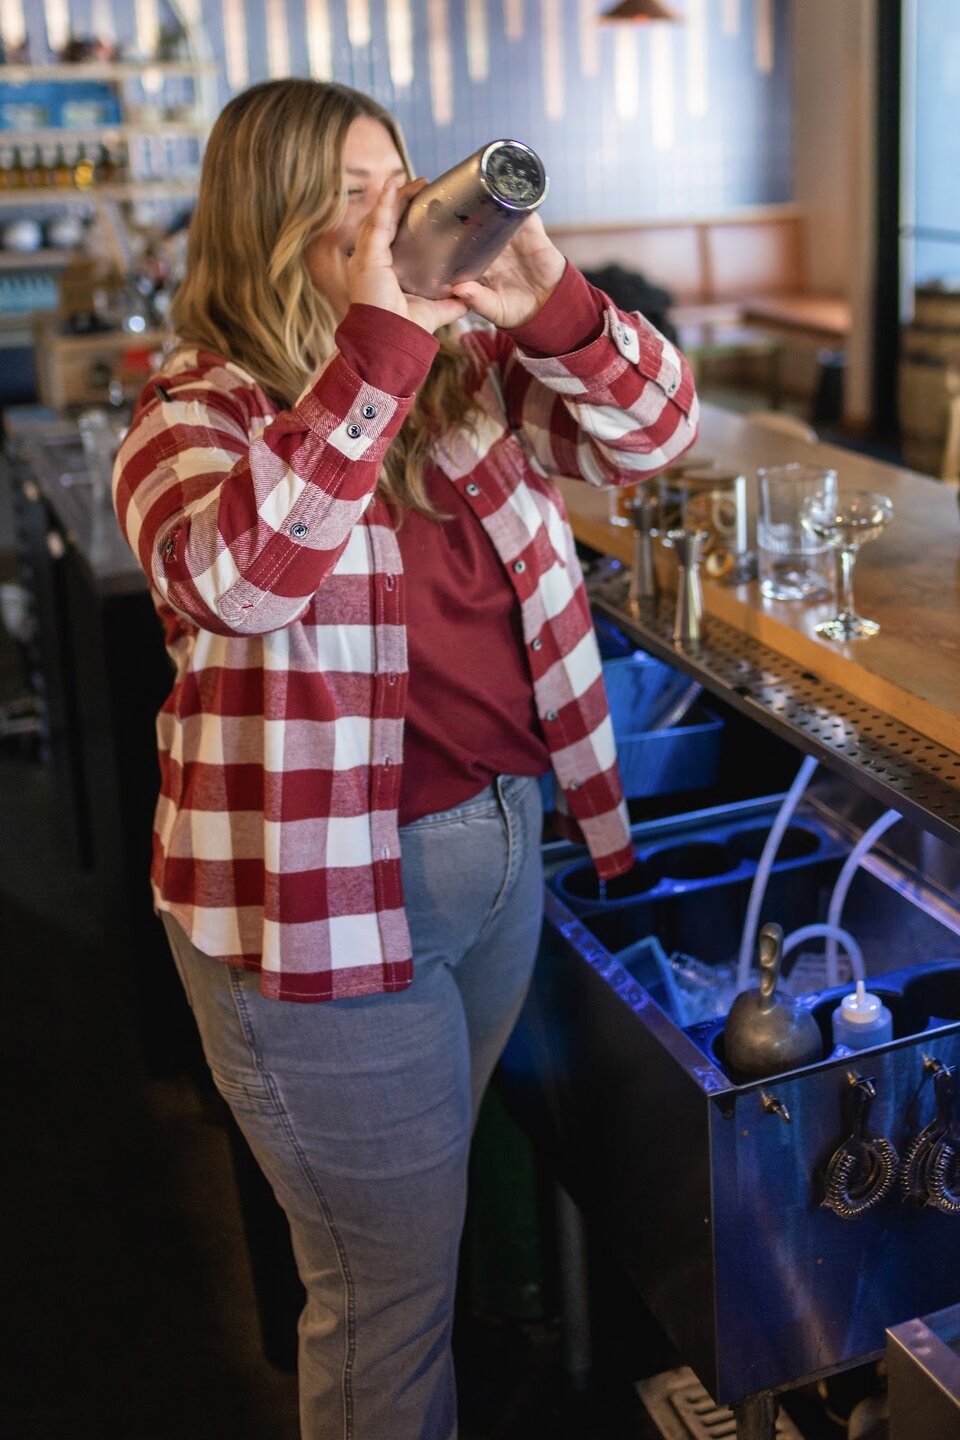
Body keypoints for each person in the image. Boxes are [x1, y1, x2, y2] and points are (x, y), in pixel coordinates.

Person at [113, 77, 698, 1440]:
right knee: (383, 1303)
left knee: (412, 1264)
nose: (399, 221)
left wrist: (549, 300)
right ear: (273, 229)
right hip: (315, 911)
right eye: (353, 203)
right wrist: (377, 348)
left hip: (499, 858)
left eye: (403, 187)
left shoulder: (467, 382)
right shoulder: (189, 423)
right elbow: (243, 577)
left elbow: (657, 436)